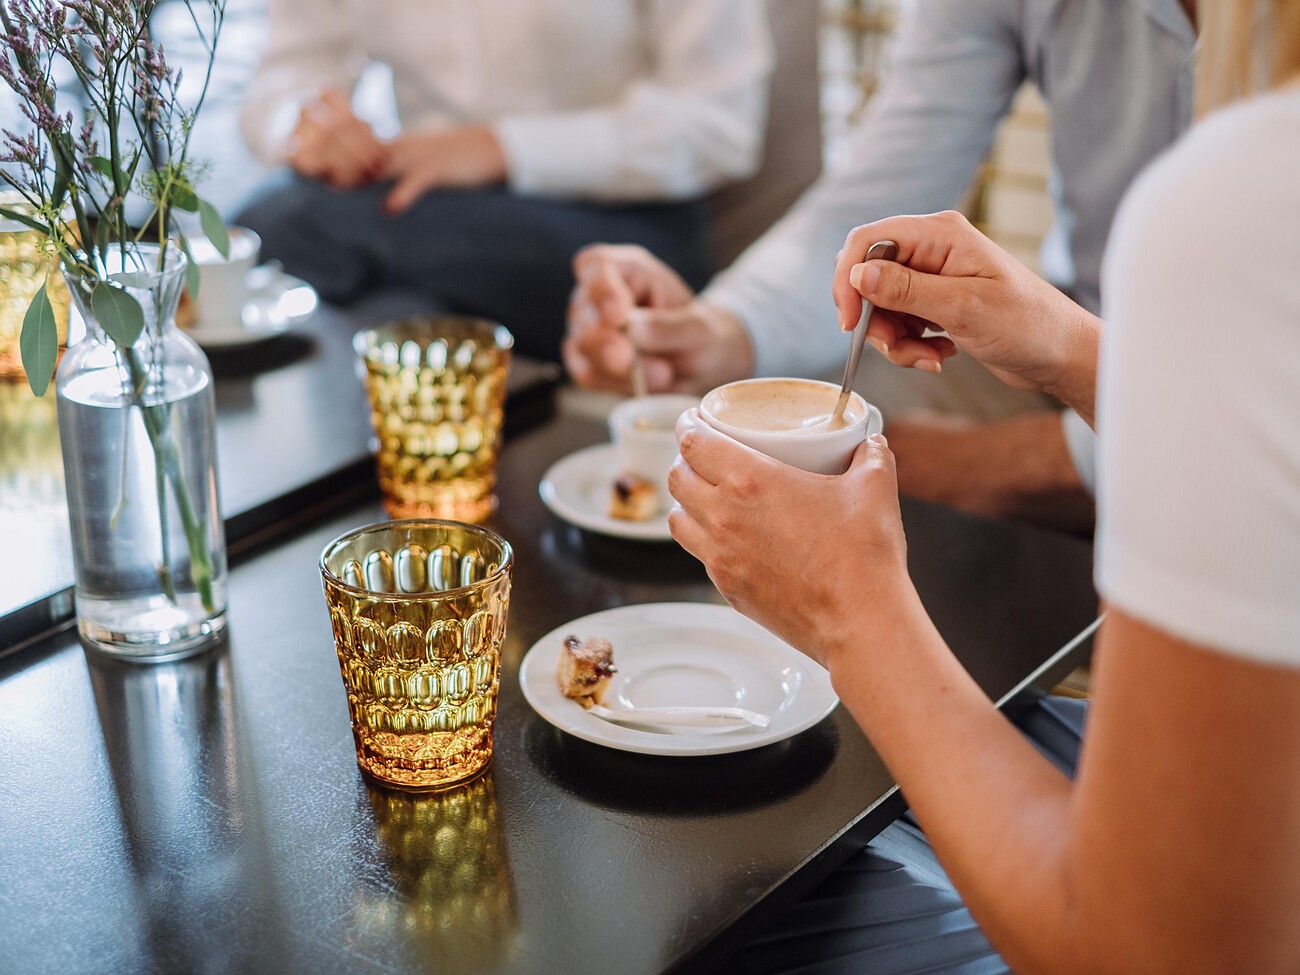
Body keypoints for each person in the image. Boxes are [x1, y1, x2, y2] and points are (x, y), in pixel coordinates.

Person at [668, 0, 1300, 969]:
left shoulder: (1239, 196)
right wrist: (1074, 352)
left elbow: (1145, 952)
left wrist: (850, 612)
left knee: (737, 913)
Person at [566, 0, 1200, 531]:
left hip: (1219, 419)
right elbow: (880, 195)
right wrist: (723, 330)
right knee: (791, 422)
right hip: (1077, 342)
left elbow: (1237, 421)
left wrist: (1037, 461)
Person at [234, 0, 772, 361]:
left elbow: (720, 126)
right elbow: (286, 74)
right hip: (426, 212)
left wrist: (498, 148)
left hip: (624, 221)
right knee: (392, 312)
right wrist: (308, 125)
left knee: (275, 224)